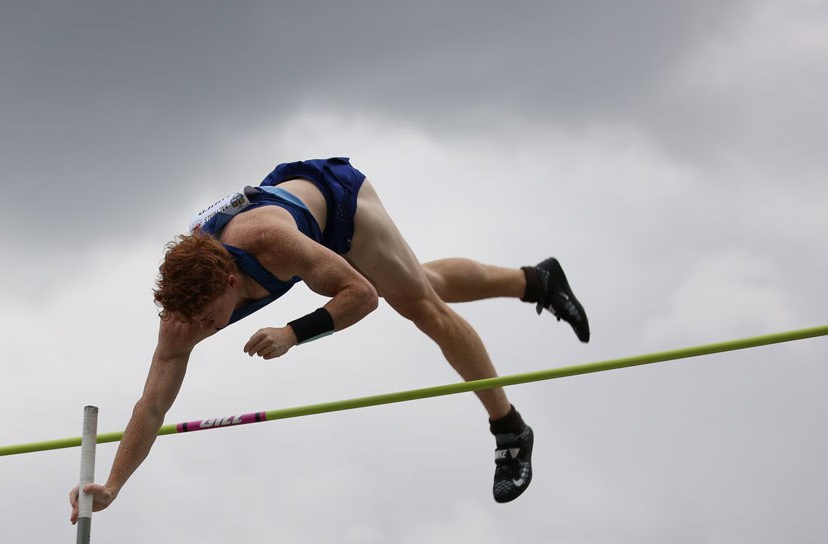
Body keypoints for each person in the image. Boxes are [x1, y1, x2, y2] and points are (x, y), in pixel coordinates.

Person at [69, 157, 588, 523]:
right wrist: (113, 485)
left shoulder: (271, 246)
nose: (207, 331)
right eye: (198, 324)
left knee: (419, 306)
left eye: (212, 320)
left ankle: (510, 428)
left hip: (341, 205)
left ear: (232, 283)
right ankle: (537, 281)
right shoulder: (184, 315)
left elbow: (361, 296)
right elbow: (152, 405)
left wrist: (293, 333)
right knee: (417, 282)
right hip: (287, 199)